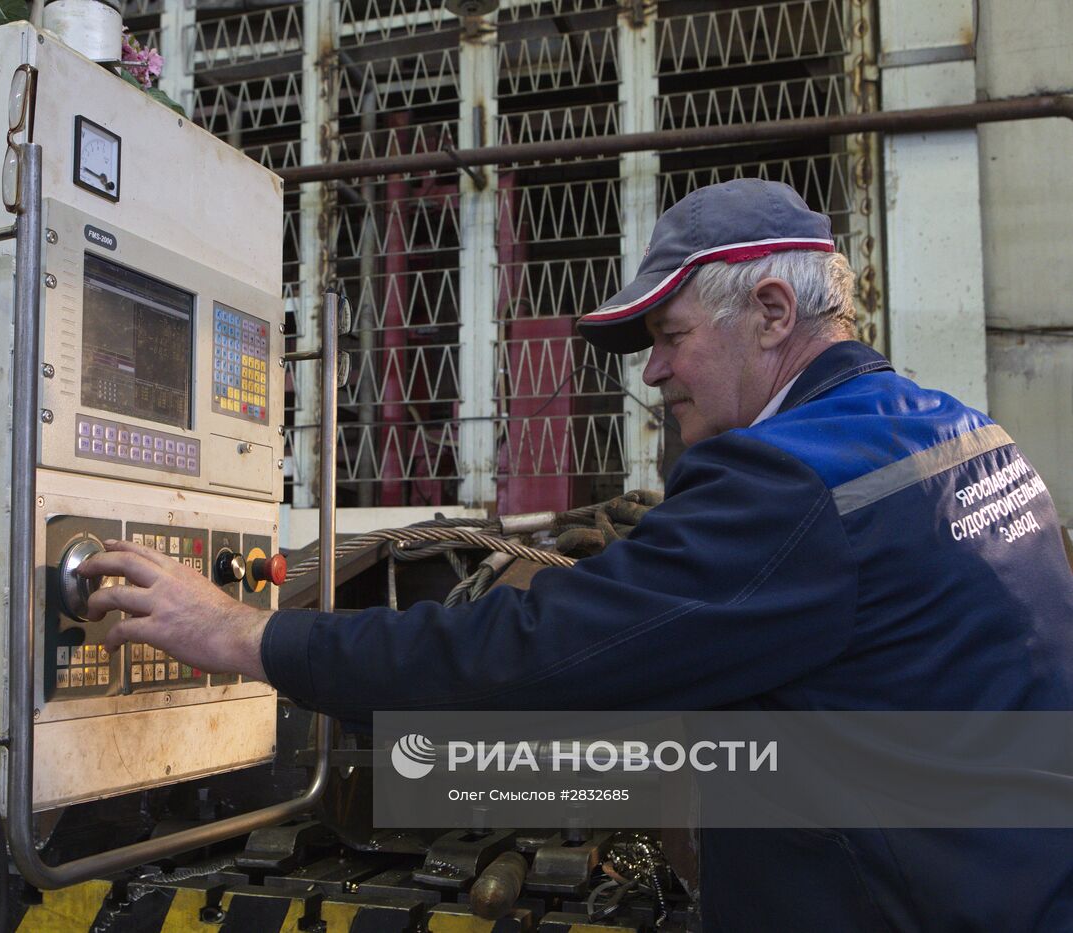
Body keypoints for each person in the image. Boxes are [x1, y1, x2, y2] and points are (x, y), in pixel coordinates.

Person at [79, 179, 1073, 930]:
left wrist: (248, 636)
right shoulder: (954, 433)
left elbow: (521, 661)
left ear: (771, 313)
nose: (652, 371)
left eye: (669, 335)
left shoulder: (788, 482)